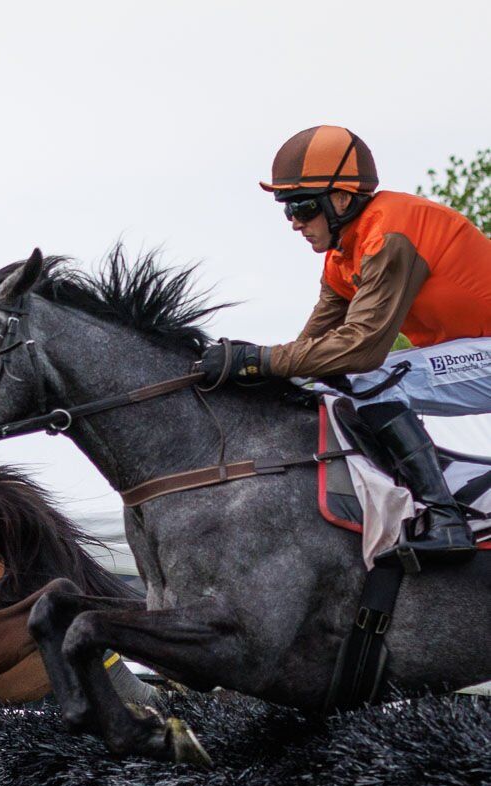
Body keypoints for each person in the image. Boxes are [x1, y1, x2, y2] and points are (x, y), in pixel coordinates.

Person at [198, 125, 491, 560]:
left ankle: (445, 516)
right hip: (472, 357)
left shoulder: (389, 233)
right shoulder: (342, 257)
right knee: (324, 385)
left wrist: (262, 359)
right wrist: (252, 371)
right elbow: (310, 353)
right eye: (287, 210)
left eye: (302, 206)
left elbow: (363, 348)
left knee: (372, 375)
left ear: (341, 198)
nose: (295, 223)